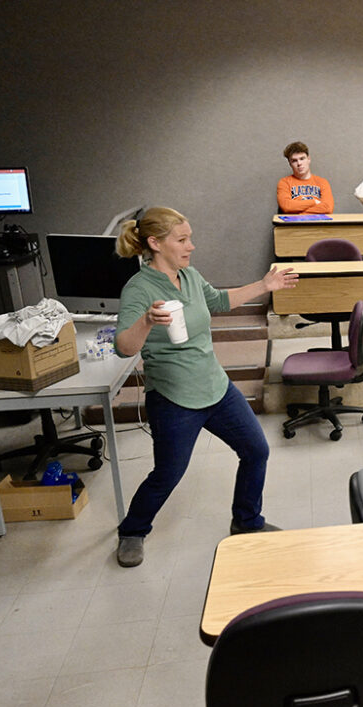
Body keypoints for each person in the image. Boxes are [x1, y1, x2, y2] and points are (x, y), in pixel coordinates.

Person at [112, 207, 298, 567]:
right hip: (174, 397)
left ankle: (246, 522)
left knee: (256, 451)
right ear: (155, 243)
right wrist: (149, 321)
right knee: (168, 474)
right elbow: (124, 347)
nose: (191, 246)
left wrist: (264, 286)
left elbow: (218, 301)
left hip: (215, 386)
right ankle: (132, 530)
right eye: (182, 240)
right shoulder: (138, 289)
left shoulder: (190, 275)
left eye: (189, 238)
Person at [277, 141, 334, 214]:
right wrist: (314, 202)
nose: (299, 163)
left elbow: (328, 208)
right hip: (293, 225)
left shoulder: (322, 182)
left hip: (318, 224)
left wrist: (298, 213)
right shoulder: (284, 182)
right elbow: (287, 206)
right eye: (294, 161)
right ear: (290, 163)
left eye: (302, 159)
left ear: (308, 159)